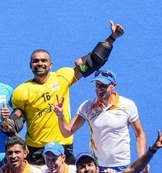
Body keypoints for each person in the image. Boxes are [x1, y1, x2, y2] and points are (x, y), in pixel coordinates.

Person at [11, 21, 125, 165]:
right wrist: (10, 124)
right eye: (36, 61)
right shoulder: (21, 90)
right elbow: (17, 117)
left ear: (50, 64)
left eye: (43, 61)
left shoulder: (62, 76)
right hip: (36, 151)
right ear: (30, 65)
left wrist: (112, 37)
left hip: (63, 146)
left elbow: (92, 62)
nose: (40, 63)